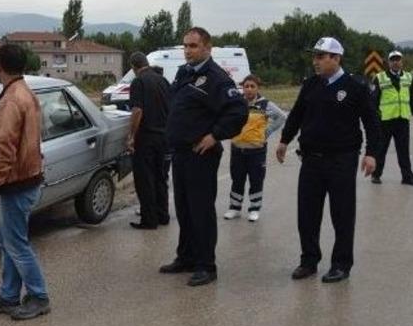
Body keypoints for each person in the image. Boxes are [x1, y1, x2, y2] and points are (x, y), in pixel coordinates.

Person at [275, 37, 380, 283]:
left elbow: (372, 123)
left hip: (341, 160)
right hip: (311, 160)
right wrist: (284, 140)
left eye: (321, 56)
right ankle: (309, 260)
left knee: (342, 214)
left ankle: (341, 264)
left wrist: (372, 153)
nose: (316, 61)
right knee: (307, 214)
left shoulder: (355, 86)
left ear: (336, 58)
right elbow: (297, 114)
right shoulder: (311, 84)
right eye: (315, 56)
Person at [159, 27, 248, 286]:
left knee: (201, 210)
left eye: (193, 46)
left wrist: (214, 135)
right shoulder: (184, 73)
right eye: (185, 46)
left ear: (208, 48)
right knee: (184, 209)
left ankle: (206, 265)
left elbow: (237, 112)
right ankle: (186, 257)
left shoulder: (217, 78)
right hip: (181, 153)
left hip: (201, 154)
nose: (187, 50)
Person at [0, 44, 50, 320]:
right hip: (26, 178)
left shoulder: (11, 100)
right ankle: (8, 295)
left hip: (17, 183)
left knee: (16, 243)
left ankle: (39, 296)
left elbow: (5, 149)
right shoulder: (26, 93)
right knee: (7, 240)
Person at [223, 74, 286, 222]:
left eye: (253, 86)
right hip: (237, 149)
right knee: (237, 179)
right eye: (246, 86)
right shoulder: (237, 103)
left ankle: (254, 208)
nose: (249, 89)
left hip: (256, 151)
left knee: (256, 180)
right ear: (242, 88)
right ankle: (234, 208)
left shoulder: (265, 105)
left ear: (258, 88)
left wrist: (267, 132)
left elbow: (281, 117)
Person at [127, 52, 171, 230]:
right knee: (160, 177)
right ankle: (163, 215)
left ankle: (149, 220)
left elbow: (137, 110)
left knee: (145, 179)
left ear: (133, 67)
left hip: (146, 138)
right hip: (164, 136)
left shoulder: (138, 82)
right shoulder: (163, 80)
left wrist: (131, 136)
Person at [371, 50, 413, 186]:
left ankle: (407, 177)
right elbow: (373, 101)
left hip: (402, 119)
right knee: (381, 149)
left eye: (398, 59)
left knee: (404, 151)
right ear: (388, 62)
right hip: (385, 120)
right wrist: (374, 119)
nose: (395, 62)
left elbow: (412, 97)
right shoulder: (380, 77)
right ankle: (376, 175)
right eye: (393, 59)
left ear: (402, 62)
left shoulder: (408, 77)